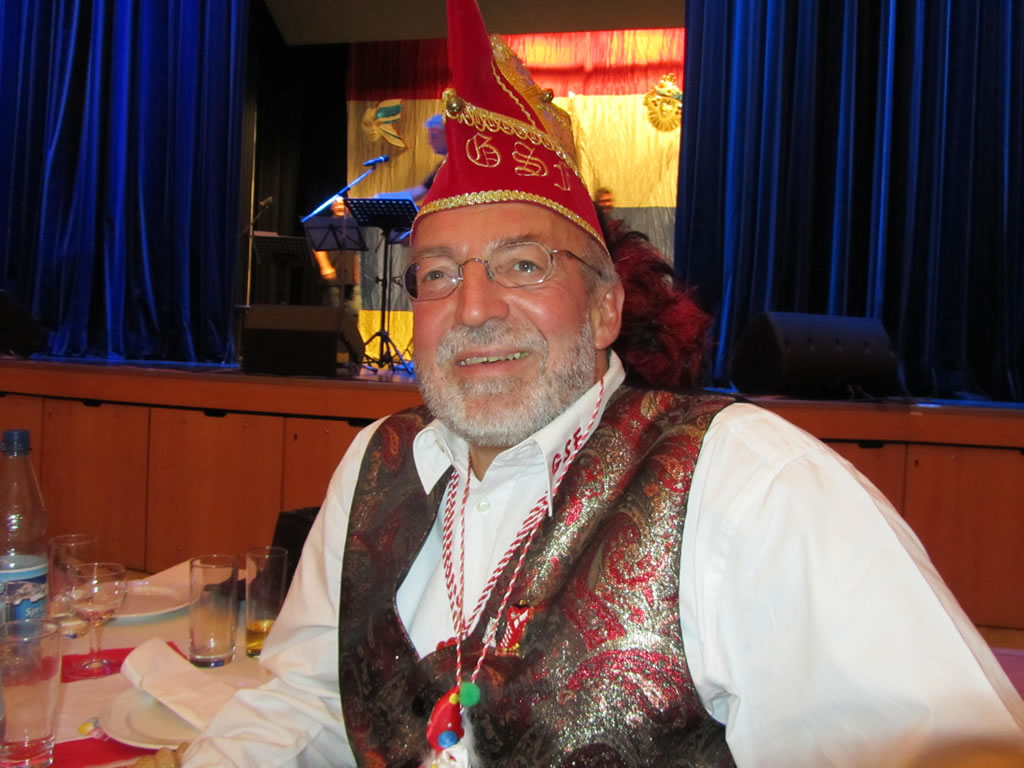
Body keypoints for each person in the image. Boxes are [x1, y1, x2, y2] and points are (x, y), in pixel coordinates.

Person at [162, 0, 1024, 764]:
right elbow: (303, 700)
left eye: (523, 265)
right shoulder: (372, 467)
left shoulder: (748, 488)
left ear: (606, 306)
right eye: (438, 275)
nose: (472, 309)